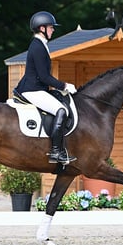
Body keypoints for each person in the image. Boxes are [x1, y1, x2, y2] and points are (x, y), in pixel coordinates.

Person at [16, 11, 77, 165]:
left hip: (37, 88)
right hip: (32, 90)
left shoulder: (41, 45)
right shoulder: (37, 47)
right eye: (51, 27)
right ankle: (56, 151)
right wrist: (65, 86)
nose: (53, 30)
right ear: (42, 28)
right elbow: (44, 77)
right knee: (61, 111)